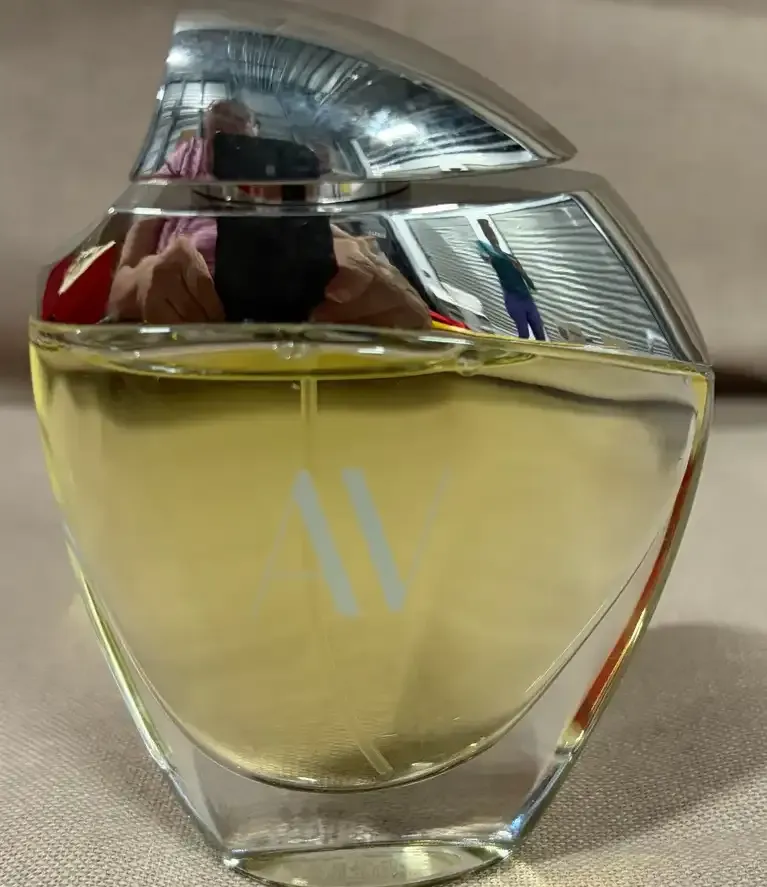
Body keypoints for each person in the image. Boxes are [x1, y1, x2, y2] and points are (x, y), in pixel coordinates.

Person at [105, 97, 431, 329]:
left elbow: (316, 228)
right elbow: (123, 281)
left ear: (255, 131)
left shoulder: (280, 171)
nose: (227, 117)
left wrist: (380, 284)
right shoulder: (183, 159)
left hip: (290, 315)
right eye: (217, 113)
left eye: (239, 117)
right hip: (188, 303)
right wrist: (142, 283)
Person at [476, 218, 545, 341]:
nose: (493, 238)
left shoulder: (510, 257)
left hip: (527, 299)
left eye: (493, 235)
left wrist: (524, 275)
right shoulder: (494, 257)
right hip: (514, 301)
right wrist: (484, 225)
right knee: (524, 334)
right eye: (490, 235)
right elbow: (485, 256)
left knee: (539, 333)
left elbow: (528, 281)